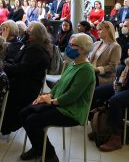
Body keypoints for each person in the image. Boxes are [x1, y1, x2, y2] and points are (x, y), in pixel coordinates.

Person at [20, 33, 95, 161]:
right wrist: (47, 96)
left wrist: (52, 101)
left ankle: (50, 155)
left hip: (72, 111)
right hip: (59, 104)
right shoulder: (73, 64)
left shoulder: (86, 70)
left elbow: (72, 95)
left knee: (32, 120)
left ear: (82, 49)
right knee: (23, 113)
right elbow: (59, 84)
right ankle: (38, 148)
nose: (68, 47)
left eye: (72, 45)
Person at [1, 22, 51, 135]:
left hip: (25, 87)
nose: (25, 33)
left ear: (36, 35)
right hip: (24, 82)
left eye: (29, 32)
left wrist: (3, 66)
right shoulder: (32, 45)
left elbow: (21, 69)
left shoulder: (35, 49)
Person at [90, 47, 129, 152]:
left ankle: (116, 138)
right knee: (97, 91)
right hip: (124, 83)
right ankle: (99, 127)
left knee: (115, 101)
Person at [89, 21, 121, 86]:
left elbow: (113, 67)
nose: (97, 32)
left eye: (100, 29)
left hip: (104, 78)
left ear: (108, 30)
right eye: (97, 30)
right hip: (91, 72)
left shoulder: (115, 46)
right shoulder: (96, 44)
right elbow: (89, 59)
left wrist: (96, 69)